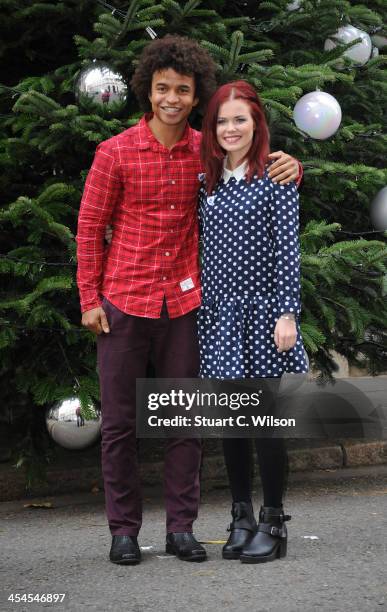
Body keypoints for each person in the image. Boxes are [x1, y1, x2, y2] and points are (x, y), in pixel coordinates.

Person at [77, 35, 302, 566]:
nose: (172, 98)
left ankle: (182, 529)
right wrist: (89, 298)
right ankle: (124, 531)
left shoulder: (204, 155)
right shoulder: (114, 152)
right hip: (123, 304)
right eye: (162, 89)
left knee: (185, 423)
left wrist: (290, 163)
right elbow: (90, 228)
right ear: (147, 92)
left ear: (195, 93)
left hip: (183, 309)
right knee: (119, 425)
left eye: (182, 89)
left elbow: (253, 165)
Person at [198, 80, 308, 563]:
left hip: (264, 315)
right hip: (219, 317)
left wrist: (287, 313)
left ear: (257, 123)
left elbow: (288, 251)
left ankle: (274, 519)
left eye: (240, 119)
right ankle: (241, 514)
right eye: (222, 121)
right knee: (232, 423)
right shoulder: (209, 183)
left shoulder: (276, 178)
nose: (230, 128)